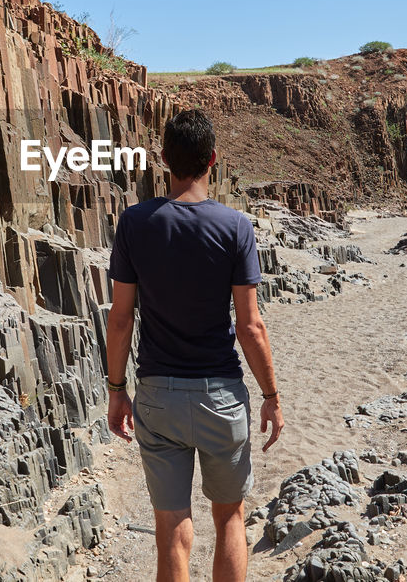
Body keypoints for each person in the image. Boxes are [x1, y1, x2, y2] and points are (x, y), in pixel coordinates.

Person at [105, 108, 285, 582]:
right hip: (221, 398)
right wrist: (270, 395)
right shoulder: (235, 227)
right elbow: (250, 327)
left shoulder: (134, 224)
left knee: (171, 529)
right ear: (213, 160)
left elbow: (121, 319)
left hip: (158, 396)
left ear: (165, 159)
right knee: (229, 517)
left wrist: (116, 388)